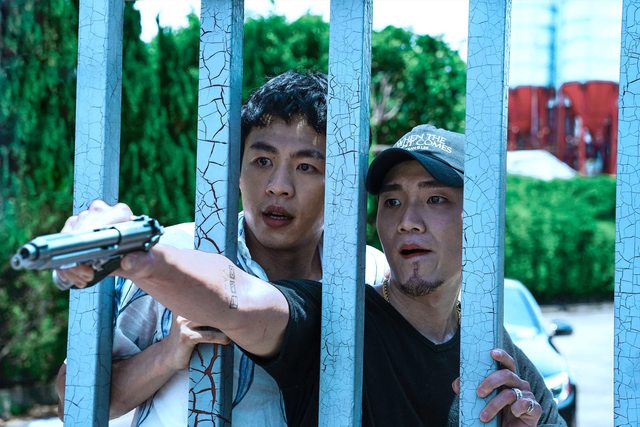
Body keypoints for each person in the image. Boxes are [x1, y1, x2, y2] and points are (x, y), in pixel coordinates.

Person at [58, 124, 566, 426]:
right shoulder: (341, 309)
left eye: (435, 199)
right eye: (392, 201)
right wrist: (136, 253)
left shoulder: (487, 346)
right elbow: (243, 298)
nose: (408, 219)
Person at [54, 71, 389, 426]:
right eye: (262, 161)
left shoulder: (370, 274)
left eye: (306, 167)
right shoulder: (177, 252)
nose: (278, 186)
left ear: (343, 182)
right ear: (238, 171)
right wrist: (166, 354)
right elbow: (73, 402)